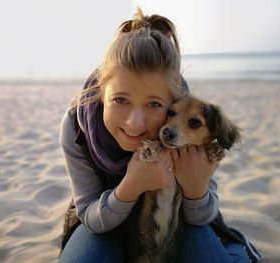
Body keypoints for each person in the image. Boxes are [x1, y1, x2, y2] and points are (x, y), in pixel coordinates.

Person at [59, 7, 261, 263]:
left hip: (181, 225)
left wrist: (196, 188)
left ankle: (236, 248)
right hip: (102, 222)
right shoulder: (77, 127)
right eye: (120, 99)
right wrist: (132, 185)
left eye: (154, 105)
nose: (134, 123)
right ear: (101, 94)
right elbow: (90, 217)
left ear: (172, 101)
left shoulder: (185, 124)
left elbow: (203, 216)